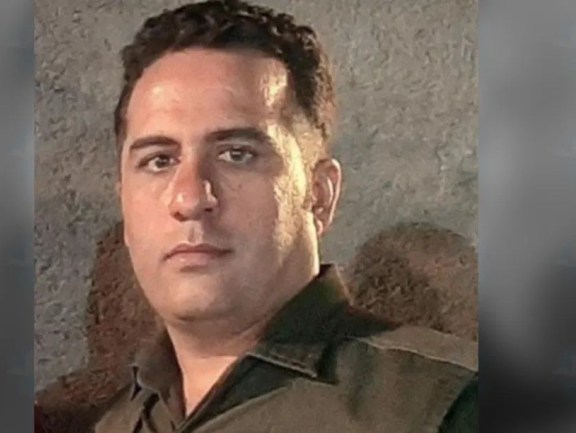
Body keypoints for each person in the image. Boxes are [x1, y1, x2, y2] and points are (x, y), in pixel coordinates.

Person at [95, 1, 478, 432]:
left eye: (236, 154)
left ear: (320, 195)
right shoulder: (118, 424)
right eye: (159, 160)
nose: (190, 198)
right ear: (124, 203)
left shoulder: (450, 406)